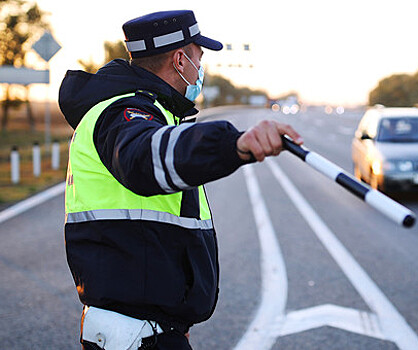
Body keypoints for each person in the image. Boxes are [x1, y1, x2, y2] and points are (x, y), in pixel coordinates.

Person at [58, 10, 302, 350]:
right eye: (199, 59)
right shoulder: (123, 114)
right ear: (180, 60)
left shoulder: (149, 113)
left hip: (146, 330)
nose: (201, 70)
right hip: (136, 336)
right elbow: (145, 157)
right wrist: (232, 144)